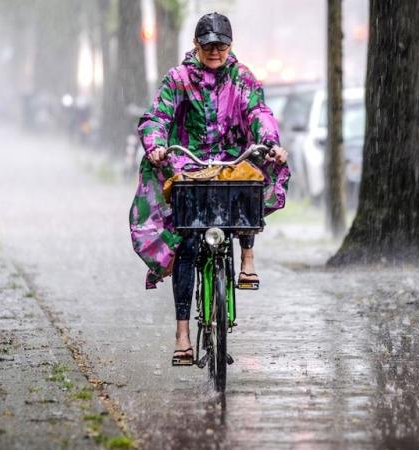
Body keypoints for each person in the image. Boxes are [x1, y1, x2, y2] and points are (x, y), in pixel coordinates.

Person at [129, 12, 290, 365]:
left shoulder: (242, 77)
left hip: (233, 160)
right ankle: (182, 334)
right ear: (196, 46)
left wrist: (269, 141)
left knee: (251, 178)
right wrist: (156, 144)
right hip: (190, 165)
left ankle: (247, 257)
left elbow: (259, 113)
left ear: (229, 45)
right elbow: (157, 117)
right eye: (208, 45)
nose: (214, 51)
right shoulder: (178, 78)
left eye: (220, 44)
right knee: (187, 241)